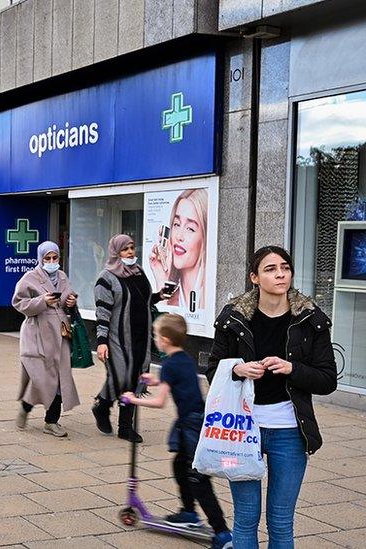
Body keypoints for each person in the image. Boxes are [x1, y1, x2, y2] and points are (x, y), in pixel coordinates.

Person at [206, 246, 337, 549]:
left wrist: (292, 368)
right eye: (270, 269)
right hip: (240, 430)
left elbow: (327, 379)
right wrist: (237, 369)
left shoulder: (311, 319)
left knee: (280, 520)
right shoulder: (233, 318)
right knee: (246, 518)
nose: (280, 274)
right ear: (254, 277)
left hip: (289, 431)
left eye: (285, 267)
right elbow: (213, 371)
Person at [122, 314, 232, 549]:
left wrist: (133, 399)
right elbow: (176, 382)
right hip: (194, 421)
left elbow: (160, 402)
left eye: (155, 336)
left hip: (192, 425)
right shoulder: (182, 359)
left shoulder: (170, 364)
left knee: (197, 478)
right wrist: (155, 380)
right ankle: (189, 513)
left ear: (164, 340)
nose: (154, 339)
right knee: (179, 466)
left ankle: (222, 532)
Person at [92, 234, 173, 442]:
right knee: (120, 377)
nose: (130, 252)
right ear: (115, 252)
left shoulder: (138, 272)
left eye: (131, 248)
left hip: (141, 336)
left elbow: (143, 301)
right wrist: (101, 342)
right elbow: (103, 312)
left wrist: (159, 296)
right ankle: (102, 405)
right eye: (124, 249)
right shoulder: (106, 277)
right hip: (117, 338)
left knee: (136, 378)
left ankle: (125, 427)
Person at [11, 241, 80, 437]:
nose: (51, 262)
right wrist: (42, 301)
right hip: (37, 334)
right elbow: (18, 302)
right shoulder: (30, 277)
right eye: (47, 258)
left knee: (59, 378)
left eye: (54, 258)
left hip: (60, 333)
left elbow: (69, 300)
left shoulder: (63, 276)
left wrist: (71, 302)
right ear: (40, 259)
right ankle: (26, 407)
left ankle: (52, 421)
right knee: (39, 377)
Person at [149, 189, 208, 310]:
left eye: (190, 229)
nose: (179, 237)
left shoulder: (209, 298)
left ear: (205, 237)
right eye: (176, 224)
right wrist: (161, 278)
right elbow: (162, 324)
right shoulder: (172, 296)